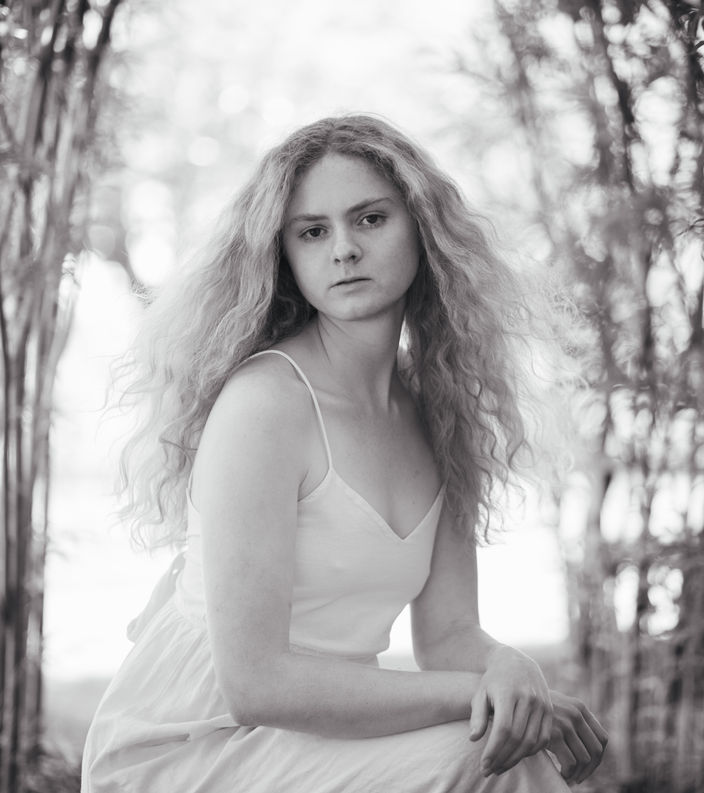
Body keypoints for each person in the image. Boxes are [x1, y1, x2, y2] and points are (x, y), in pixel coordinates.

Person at [81, 114, 607, 792]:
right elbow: (256, 684)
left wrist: (512, 668)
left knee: (500, 749)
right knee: (486, 752)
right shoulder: (268, 404)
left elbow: (448, 634)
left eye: (370, 219)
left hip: (317, 735)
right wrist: (484, 693)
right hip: (191, 744)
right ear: (285, 256)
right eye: (313, 231)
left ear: (422, 227)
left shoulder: (439, 413)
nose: (344, 249)